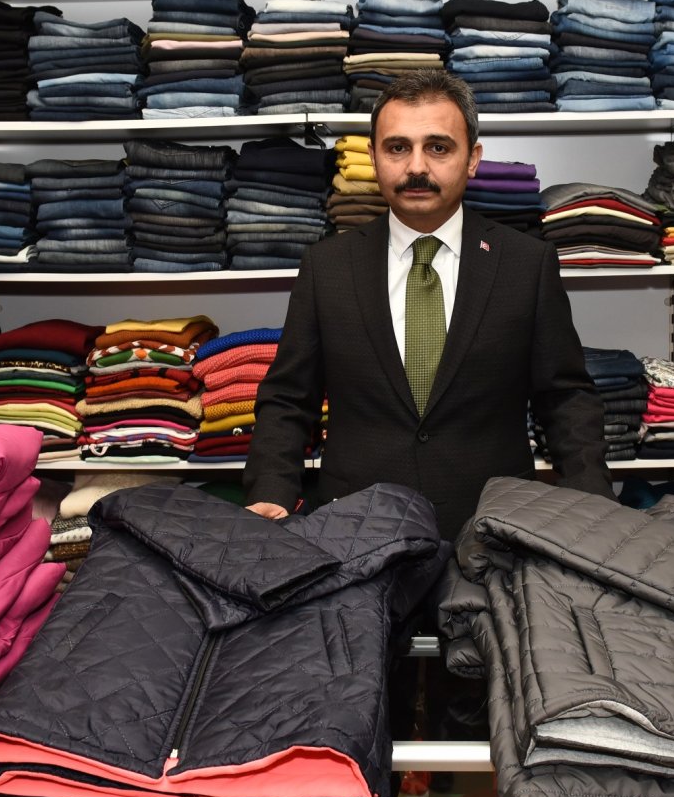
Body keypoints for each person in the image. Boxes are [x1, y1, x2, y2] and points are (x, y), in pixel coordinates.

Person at [243, 70, 612, 537]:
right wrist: (271, 491)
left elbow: (565, 398)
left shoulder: (526, 263)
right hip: (355, 528)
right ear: (374, 157)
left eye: (438, 147)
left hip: (493, 528)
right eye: (398, 147)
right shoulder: (328, 265)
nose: (416, 167)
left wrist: (593, 503)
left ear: (472, 159)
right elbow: (288, 399)